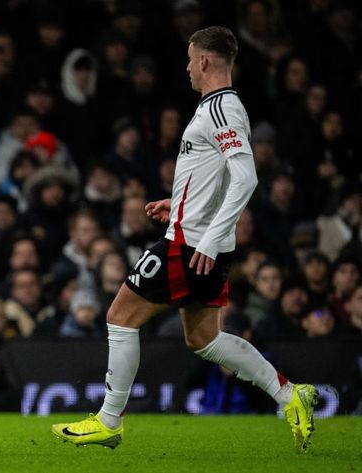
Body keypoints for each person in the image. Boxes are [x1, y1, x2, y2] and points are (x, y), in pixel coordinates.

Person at [51, 27, 318, 453]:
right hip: (197, 237)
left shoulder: (220, 110)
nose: (188, 67)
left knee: (120, 317)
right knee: (204, 339)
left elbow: (246, 177)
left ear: (206, 61)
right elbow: (218, 174)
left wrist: (207, 237)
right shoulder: (222, 108)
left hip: (190, 246)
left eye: (191, 59)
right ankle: (290, 394)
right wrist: (176, 203)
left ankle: (109, 420)